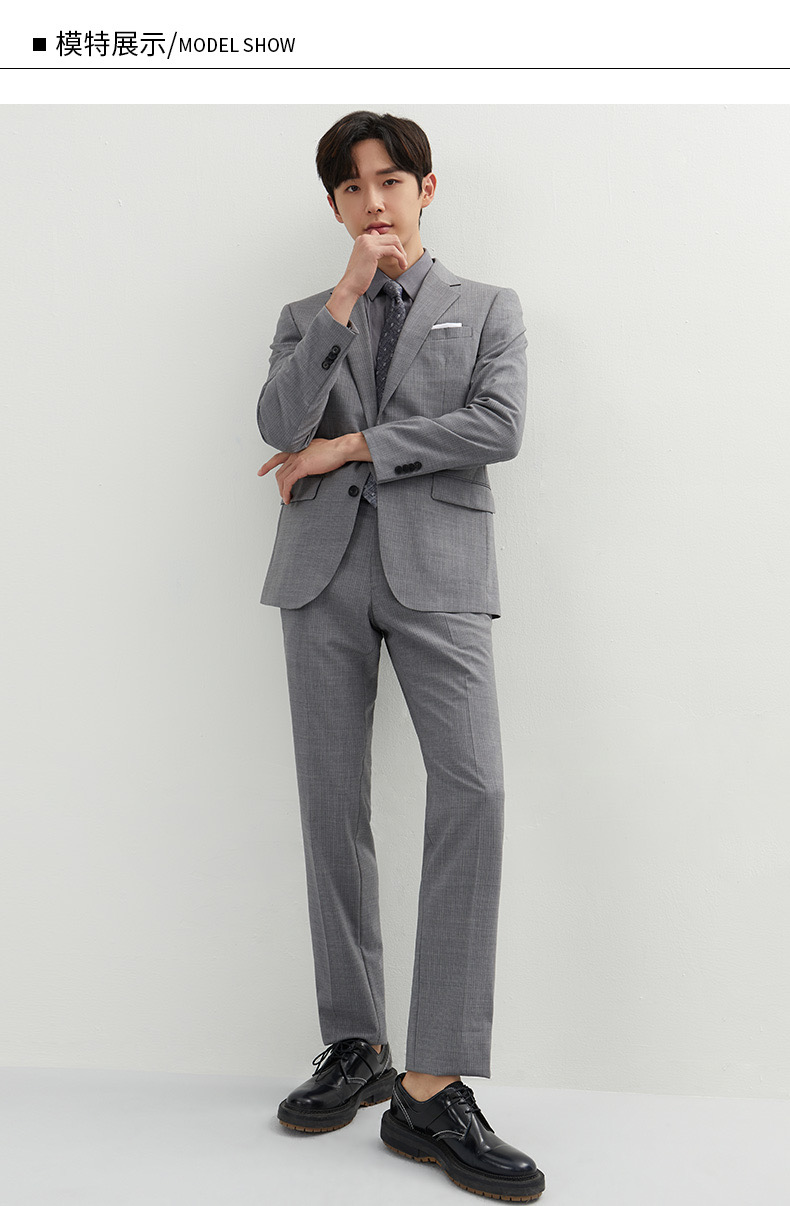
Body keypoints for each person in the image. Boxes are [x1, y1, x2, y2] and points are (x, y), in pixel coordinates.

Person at [256, 110, 545, 1201]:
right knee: (332, 805)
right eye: (350, 187)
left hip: (441, 574)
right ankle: (357, 1042)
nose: (372, 200)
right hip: (320, 574)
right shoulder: (303, 316)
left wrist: (352, 445)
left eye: (390, 180)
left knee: (474, 790)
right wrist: (341, 299)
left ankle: (431, 1084)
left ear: (426, 188)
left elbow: (497, 425)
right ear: (334, 204)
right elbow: (276, 419)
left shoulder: (487, 306)